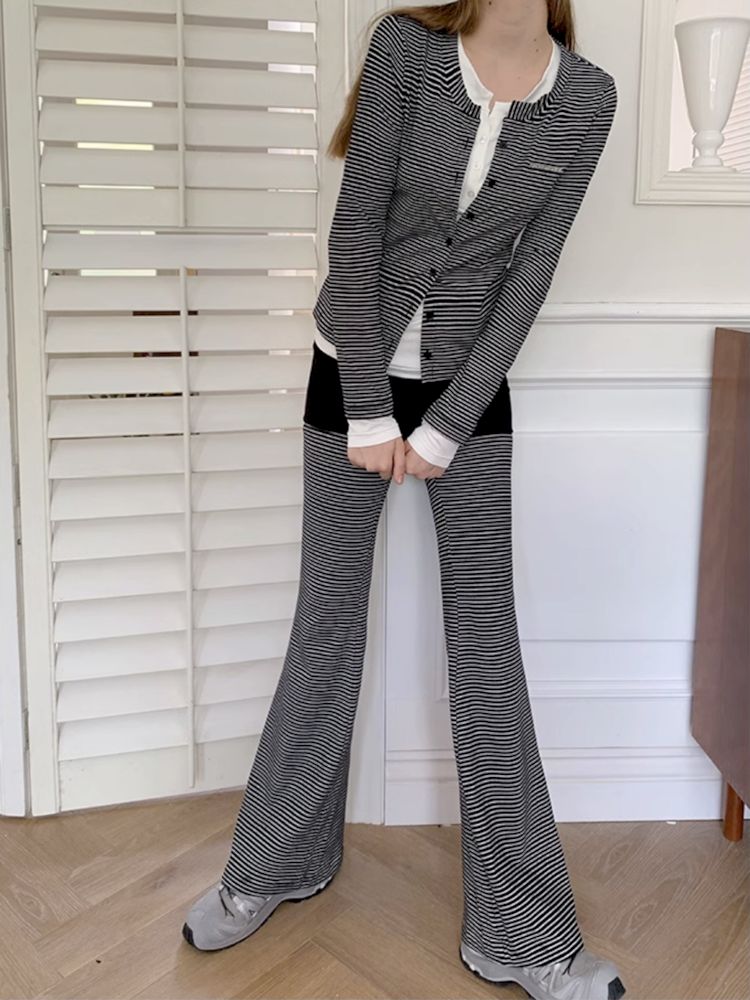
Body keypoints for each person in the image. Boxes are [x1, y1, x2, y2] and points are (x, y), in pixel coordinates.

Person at [183, 3, 626, 998]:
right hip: (352, 368)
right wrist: (370, 411)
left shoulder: (588, 98)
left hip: (468, 384)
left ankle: (524, 936)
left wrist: (447, 423)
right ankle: (276, 863)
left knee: (487, 643)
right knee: (327, 623)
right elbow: (355, 231)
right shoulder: (406, 50)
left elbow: (533, 269)